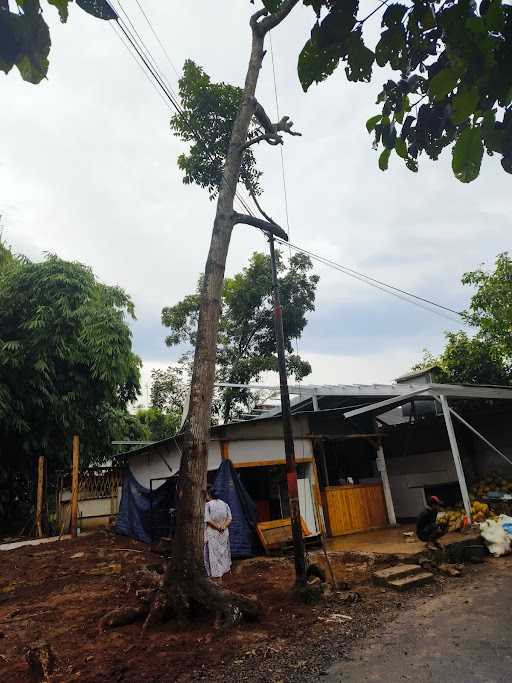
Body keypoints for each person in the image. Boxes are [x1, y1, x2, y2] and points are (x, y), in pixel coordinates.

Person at [204, 485, 232, 580]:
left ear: (209, 495)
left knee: (213, 554)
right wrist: (224, 526)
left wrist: (217, 527)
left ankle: (216, 575)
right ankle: (225, 571)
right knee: (223, 553)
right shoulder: (224, 504)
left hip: (213, 532)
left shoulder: (208, 505)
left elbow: (207, 519)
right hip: (224, 532)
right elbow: (229, 517)